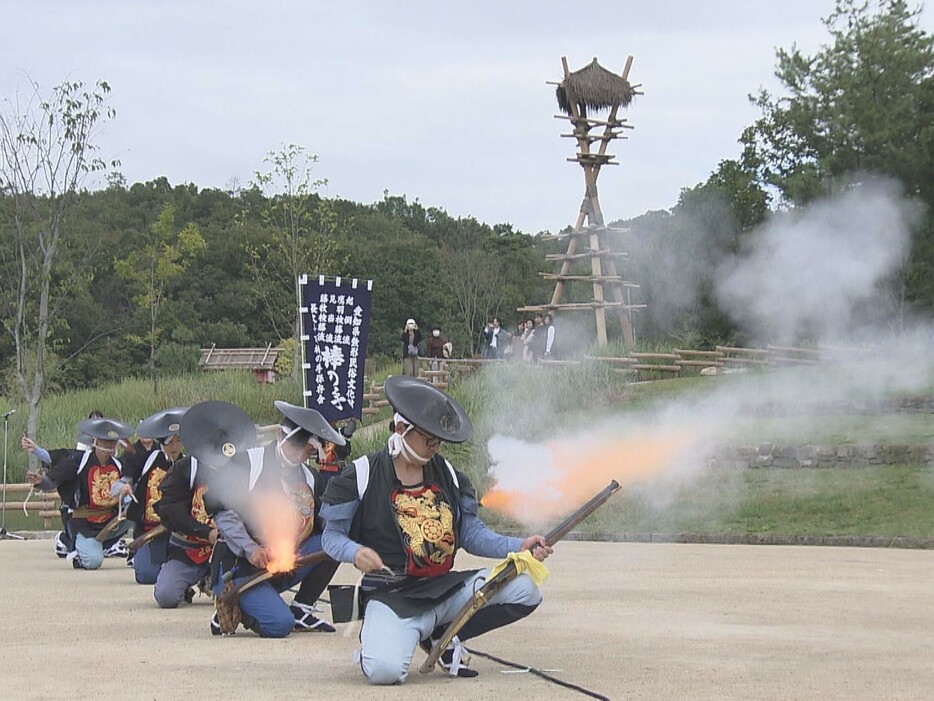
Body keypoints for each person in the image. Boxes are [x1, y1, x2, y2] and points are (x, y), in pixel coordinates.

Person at [321, 375, 551, 684]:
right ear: (401, 429)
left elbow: (471, 534)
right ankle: (380, 642)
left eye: (438, 441)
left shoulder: (450, 476)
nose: (435, 447)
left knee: (525, 587)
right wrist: (355, 551)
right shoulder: (362, 474)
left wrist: (519, 545)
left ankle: (442, 633)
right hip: (392, 595)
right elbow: (330, 538)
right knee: (385, 672)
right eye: (428, 439)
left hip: (443, 591)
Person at [207, 400, 346, 637]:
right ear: (282, 435)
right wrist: (250, 548)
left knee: (334, 541)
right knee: (280, 625)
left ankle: (302, 607)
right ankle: (235, 604)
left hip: (282, 562)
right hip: (239, 567)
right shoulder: (247, 463)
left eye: (309, 452)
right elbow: (221, 510)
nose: (302, 456)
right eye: (299, 448)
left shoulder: (310, 478)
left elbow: (322, 521)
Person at [154, 401, 251, 610]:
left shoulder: (240, 468)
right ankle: (184, 578)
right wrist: (205, 532)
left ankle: (212, 580)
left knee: (233, 600)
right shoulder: (184, 468)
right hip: (189, 547)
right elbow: (172, 510)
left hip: (227, 551)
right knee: (166, 596)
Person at [27, 416, 134, 570]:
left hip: (110, 520)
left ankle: (116, 546)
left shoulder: (119, 464)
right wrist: (41, 481)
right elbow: (54, 479)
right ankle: (70, 541)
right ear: (95, 441)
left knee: (139, 509)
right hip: (84, 522)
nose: (109, 445)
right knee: (93, 562)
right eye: (105, 441)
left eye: (112, 442)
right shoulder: (78, 461)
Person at [116, 407, 188, 583]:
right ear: (163, 442)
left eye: (179, 441)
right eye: (171, 442)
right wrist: (124, 486)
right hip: (149, 532)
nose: (175, 446)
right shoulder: (145, 459)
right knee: (147, 576)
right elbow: (124, 479)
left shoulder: (187, 465)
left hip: (178, 535)